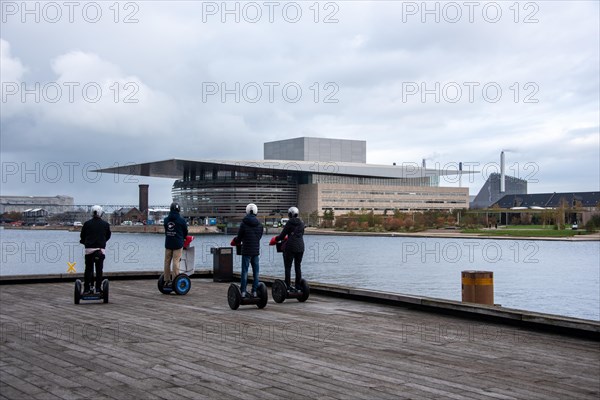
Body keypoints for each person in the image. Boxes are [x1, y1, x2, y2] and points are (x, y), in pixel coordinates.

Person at [232, 203, 263, 297]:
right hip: (255, 251)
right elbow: (259, 237)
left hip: (246, 251)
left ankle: (243, 292)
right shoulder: (260, 224)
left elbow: (239, 238)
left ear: (247, 211)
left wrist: (235, 240)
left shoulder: (243, 223)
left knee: (245, 271)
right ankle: (254, 292)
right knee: (256, 272)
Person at [80, 205, 111, 294]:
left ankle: (86, 289)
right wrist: (102, 242)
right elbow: (108, 236)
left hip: (89, 250)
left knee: (88, 269)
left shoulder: (87, 224)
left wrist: (84, 242)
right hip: (100, 250)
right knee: (99, 269)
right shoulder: (105, 224)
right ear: (101, 213)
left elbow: (82, 236)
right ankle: (98, 288)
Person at [273, 206, 305, 291]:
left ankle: (287, 285)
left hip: (290, 247)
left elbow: (282, 235)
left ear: (290, 214)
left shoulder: (289, 223)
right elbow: (301, 234)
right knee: (298, 266)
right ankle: (298, 286)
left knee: (288, 267)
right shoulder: (302, 223)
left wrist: (276, 239)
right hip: (301, 247)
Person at [163, 202, 188, 287]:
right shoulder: (181, 220)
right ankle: (175, 280)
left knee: (167, 261)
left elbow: (166, 230)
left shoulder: (166, 220)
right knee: (176, 261)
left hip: (168, 243)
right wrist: (183, 237)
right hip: (178, 244)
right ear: (178, 209)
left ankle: (166, 280)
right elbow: (185, 231)